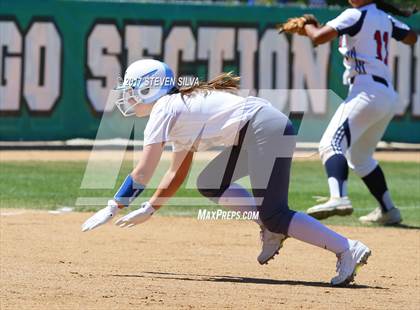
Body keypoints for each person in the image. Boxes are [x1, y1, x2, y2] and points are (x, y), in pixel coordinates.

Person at [82, 58, 371, 286]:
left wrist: (114, 205)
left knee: (276, 213)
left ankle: (347, 248)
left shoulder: (163, 109)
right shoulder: (175, 106)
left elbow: (144, 171)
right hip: (262, 127)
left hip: (262, 129)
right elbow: (176, 174)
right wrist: (150, 207)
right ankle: (271, 229)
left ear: (149, 88)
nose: (128, 96)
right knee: (210, 182)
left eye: (132, 89)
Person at [301, 0, 417, 224]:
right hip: (386, 94)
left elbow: (317, 37)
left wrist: (307, 25)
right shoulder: (384, 18)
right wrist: (386, 25)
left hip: (366, 90)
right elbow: (412, 37)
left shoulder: (355, 14)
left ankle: (338, 197)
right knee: (360, 157)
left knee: (329, 144)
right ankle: (388, 211)